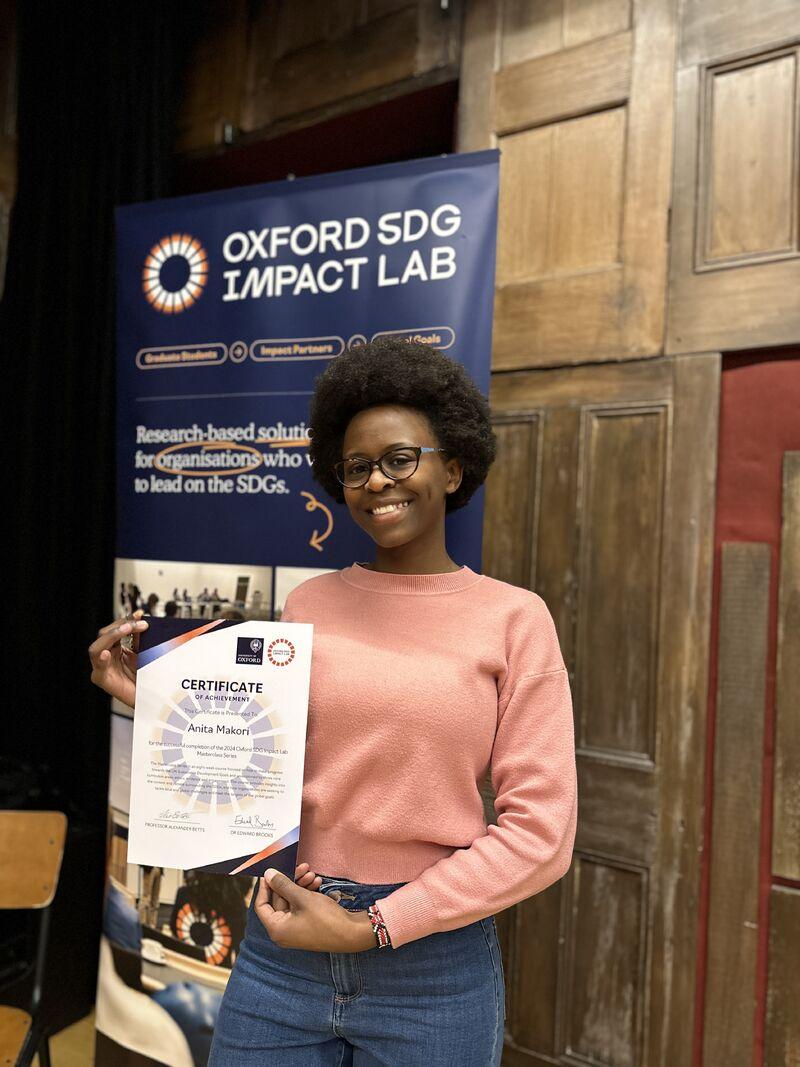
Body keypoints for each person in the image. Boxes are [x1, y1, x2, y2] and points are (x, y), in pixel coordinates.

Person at [88, 338, 578, 1066]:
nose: (377, 480)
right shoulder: (310, 602)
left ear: (454, 466)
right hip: (284, 941)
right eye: (356, 467)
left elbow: (542, 834)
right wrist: (156, 694)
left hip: (432, 966)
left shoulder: (515, 618)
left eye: (400, 458)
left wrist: (375, 924)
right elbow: (260, 755)